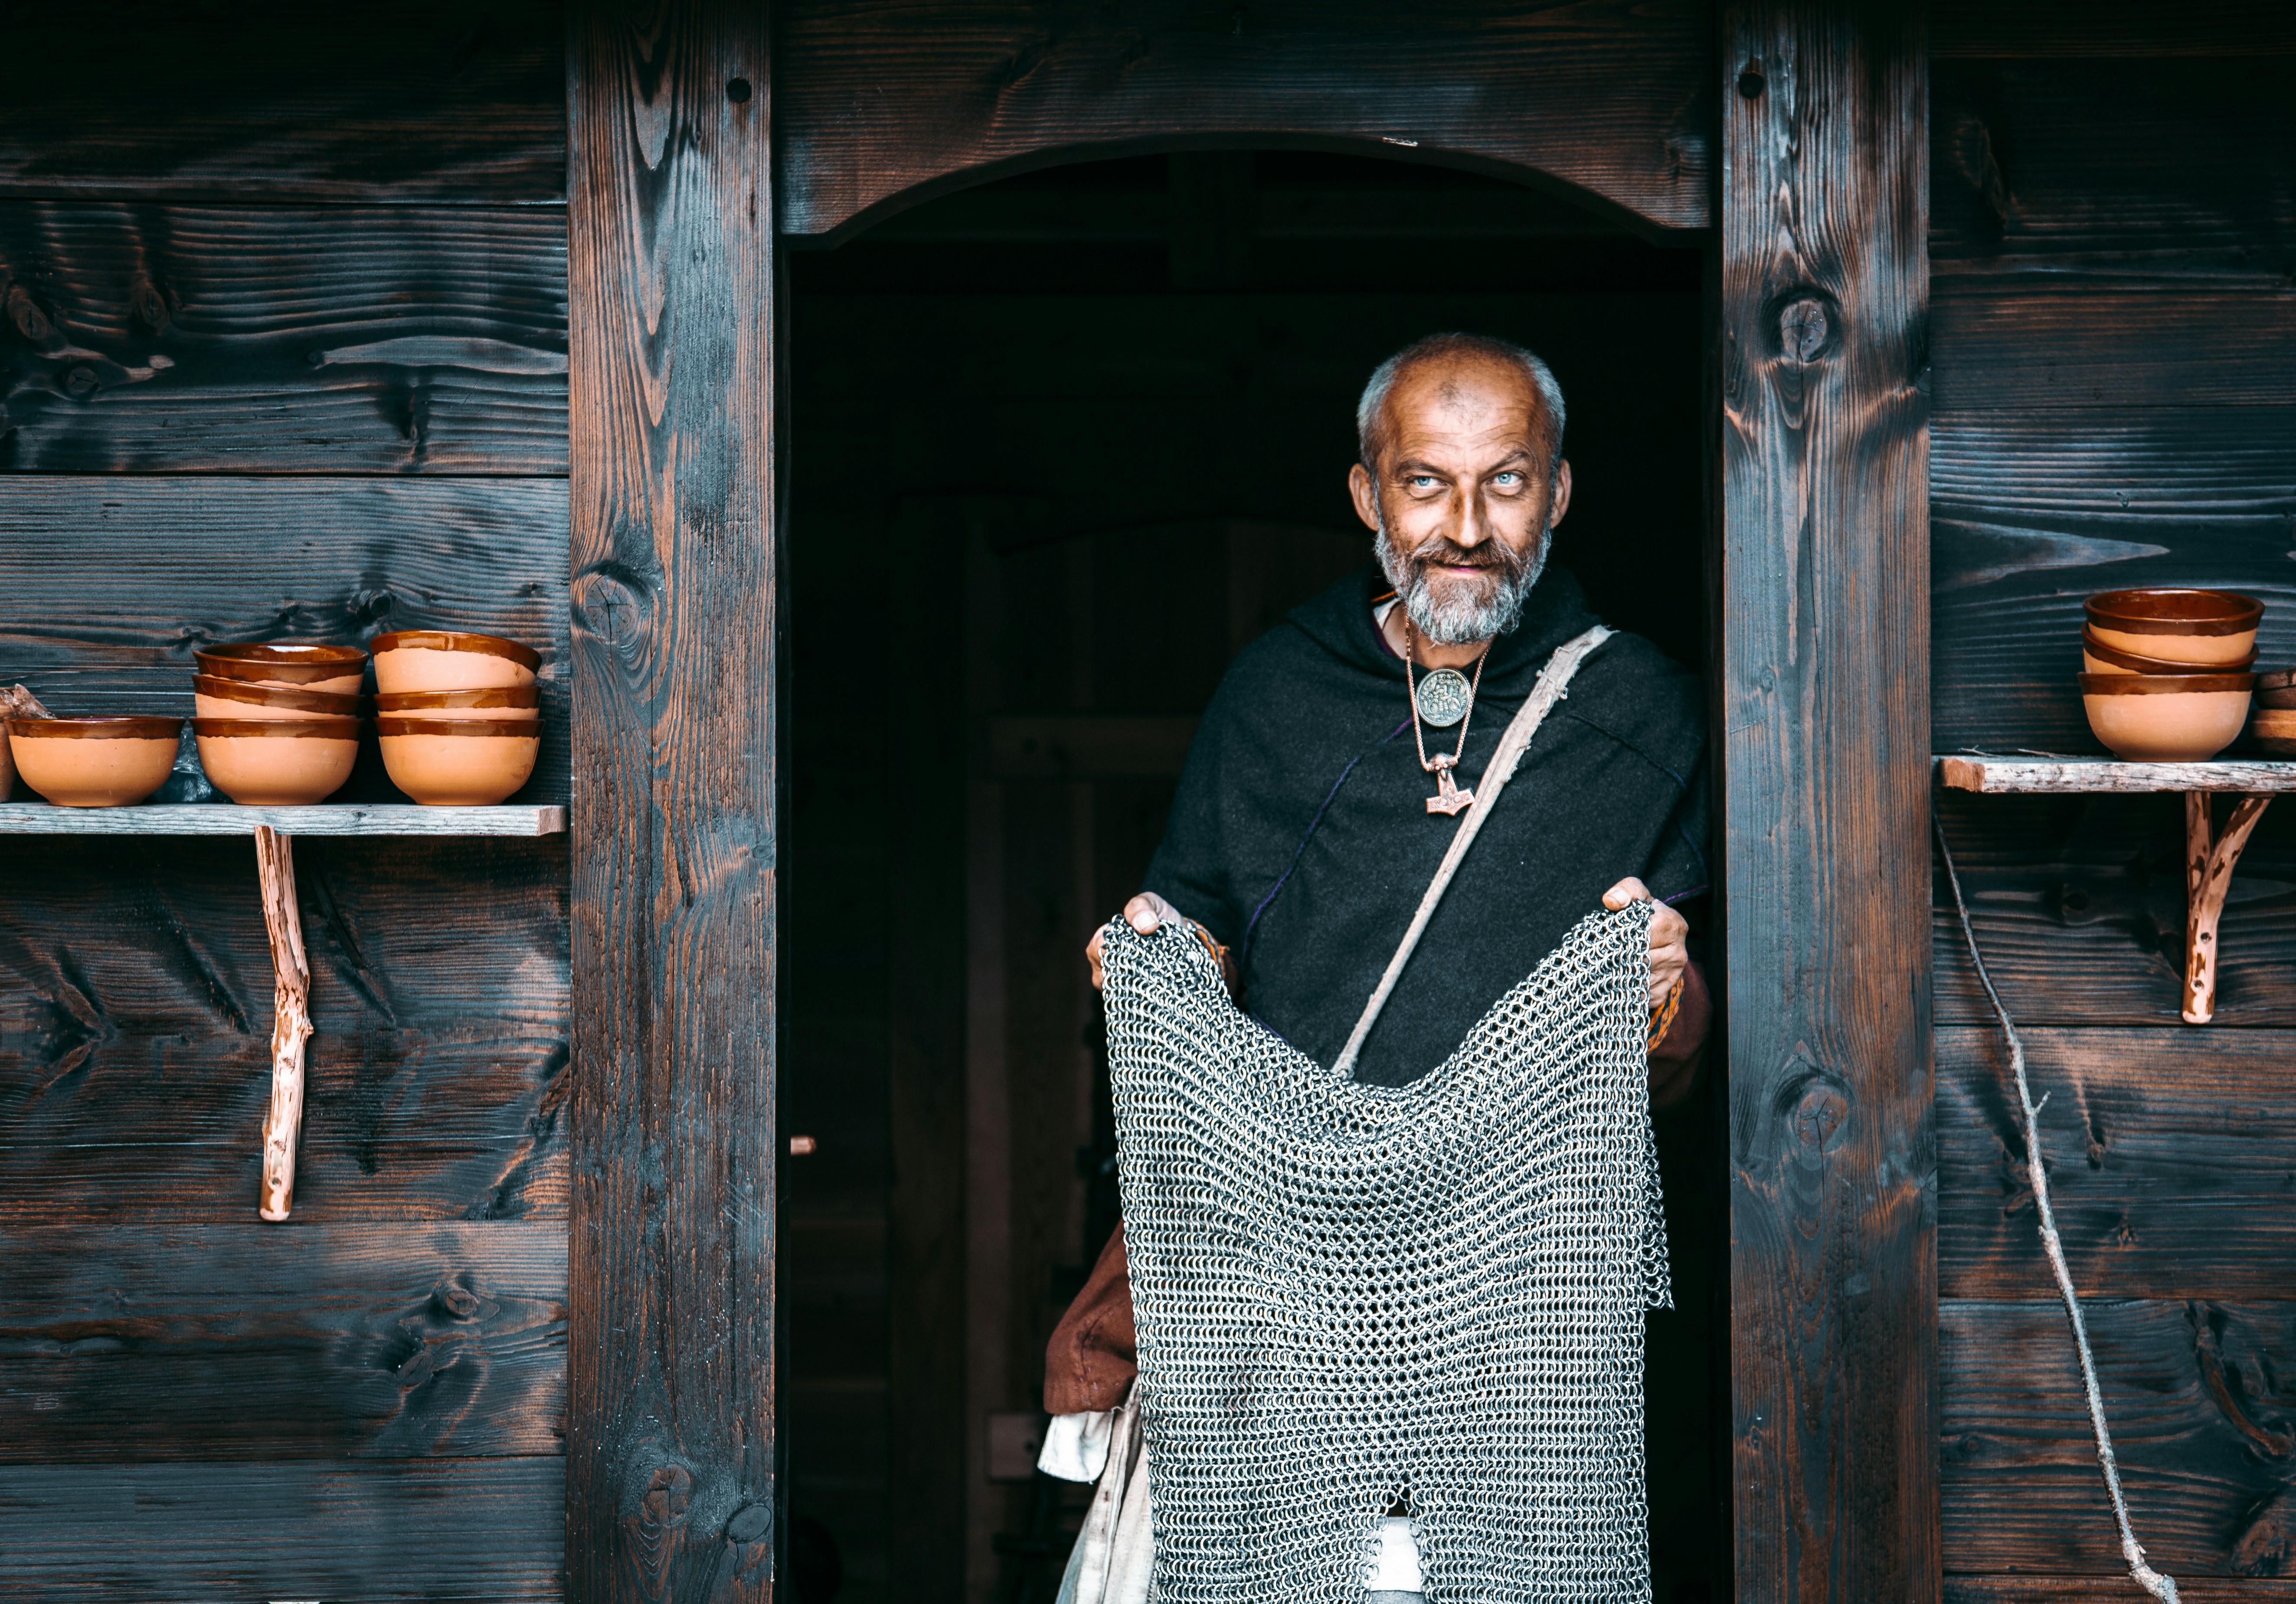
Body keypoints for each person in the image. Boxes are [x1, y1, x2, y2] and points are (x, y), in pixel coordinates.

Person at [1038, 332, 1712, 1601]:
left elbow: (1687, 1064)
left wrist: (1669, 992)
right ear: (1367, 494)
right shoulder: (1278, 693)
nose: (1466, 526)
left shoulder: (1644, 713)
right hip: (1276, 1311)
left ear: (1558, 493)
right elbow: (1196, 933)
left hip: (1521, 1332)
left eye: (1506, 481)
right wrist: (1150, 959)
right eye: (1425, 482)